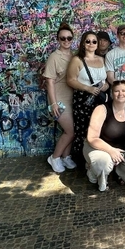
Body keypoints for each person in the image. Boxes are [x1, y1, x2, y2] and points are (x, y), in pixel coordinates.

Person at [85, 79, 125, 193]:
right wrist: (111, 151)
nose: (120, 94)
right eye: (116, 91)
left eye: (124, 91)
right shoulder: (101, 109)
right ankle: (94, 172)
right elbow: (91, 138)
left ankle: (119, 172)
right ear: (112, 93)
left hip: (123, 147)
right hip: (100, 147)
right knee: (103, 163)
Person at [68, 31, 110, 168]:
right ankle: (82, 161)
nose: (91, 44)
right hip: (83, 99)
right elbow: (70, 80)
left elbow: (105, 80)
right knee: (83, 130)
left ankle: (97, 160)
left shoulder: (101, 59)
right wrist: (88, 88)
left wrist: (105, 86)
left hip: (99, 98)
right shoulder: (77, 60)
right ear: (83, 43)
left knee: (99, 129)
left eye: (94, 41)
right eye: (88, 41)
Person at [43, 23, 76, 173]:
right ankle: (55, 157)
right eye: (63, 38)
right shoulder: (54, 57)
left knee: (72, 130)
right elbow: (49, 81)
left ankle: (65, 156)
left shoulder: (74, 56)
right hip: (59, 99)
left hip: (72, 98)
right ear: (58, 39)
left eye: (69, 38)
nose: (66, 41)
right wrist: (54, 103)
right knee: (71, 130)